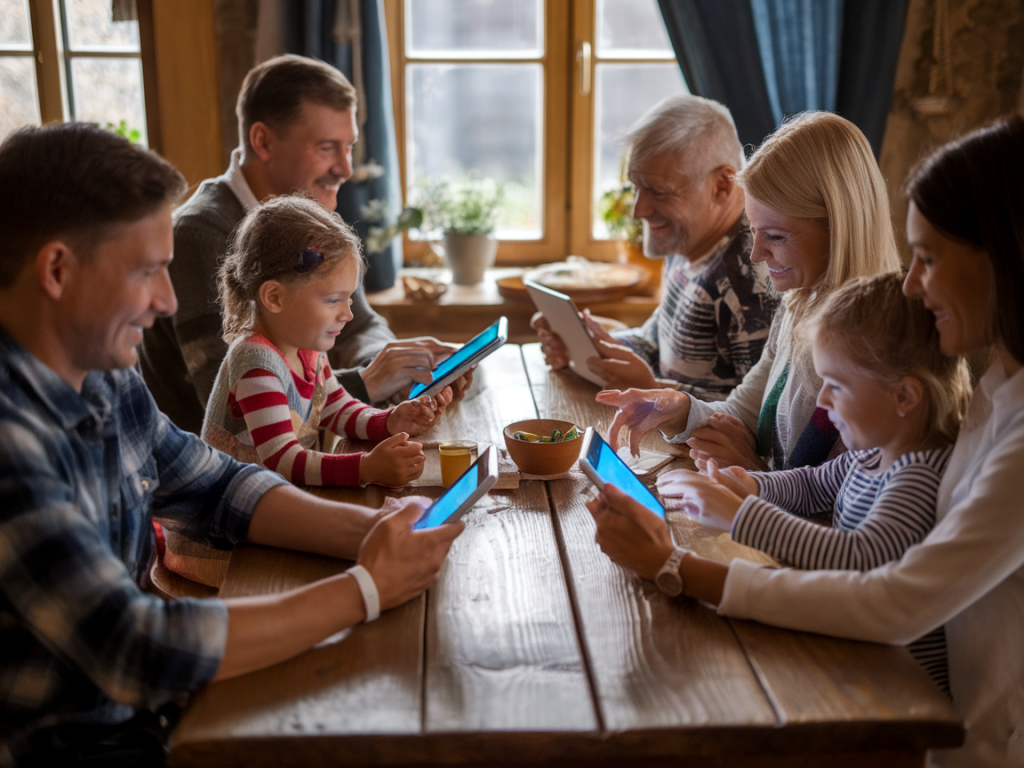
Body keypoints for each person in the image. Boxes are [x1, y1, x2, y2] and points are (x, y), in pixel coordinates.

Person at [0, 123, 462, 766]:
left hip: (149, 714)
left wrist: (370, 532)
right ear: (57, 270)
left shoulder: (101, 374)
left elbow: (216, 483)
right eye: (147, 272)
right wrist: (366, 588)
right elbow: (135, 648)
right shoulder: (11, 442)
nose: (167, 302)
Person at [587, 115, 1024, 767]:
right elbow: (819, 474)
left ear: (1004, 257)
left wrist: (679, 567)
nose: (912, 283)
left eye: (929, 259)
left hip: (966, 734)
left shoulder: (908, 372)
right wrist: (730, 462)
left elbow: (894, 595)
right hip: (912, 697)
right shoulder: (997, 387)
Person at [660, 271, 971, 690]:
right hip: (857, 650)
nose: (822, 401)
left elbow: (861, 557)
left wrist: (742, 515)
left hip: (897, 683)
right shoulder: (871, 454)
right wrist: (750, 485)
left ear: (904, 397)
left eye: (836, 386)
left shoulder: (918, 477)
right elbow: (812, 485)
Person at [140, 54, 468, 436]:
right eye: (327, 148)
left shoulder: (310, 216)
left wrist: (398, 370)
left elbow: (360, 324)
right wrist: (367, 382)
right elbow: (236, 406)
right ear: (263, 141)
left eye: (349, 146)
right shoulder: (199, 234)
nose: (345, 169)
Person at [599, 111, 902, 472]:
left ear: (840, 227)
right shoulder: (798, 303)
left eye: (775, 236)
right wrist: (678, 409)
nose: (756, 254)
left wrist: (755, 471)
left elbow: (841, 498)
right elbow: (744, 410)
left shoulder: (881, 350)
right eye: (754, 231)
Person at [531, 94, 777, 399]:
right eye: (636, 186)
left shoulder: (753, 278)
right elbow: (655, 345)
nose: (639, 210)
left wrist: (653, 391)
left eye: (658, 191)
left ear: (722, 185)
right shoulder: (690, 239)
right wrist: (591, 344)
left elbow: (758, 416)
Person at [205, 194, 450, 488]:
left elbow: (337, 407)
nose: (348, 314)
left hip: (274, 499)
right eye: (334, 300)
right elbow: (283, 460)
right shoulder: (256, 362)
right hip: (231, 511)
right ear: (274, 297)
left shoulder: (306, 346)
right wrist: (366, 468)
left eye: (349, 299)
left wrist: (389, 421)